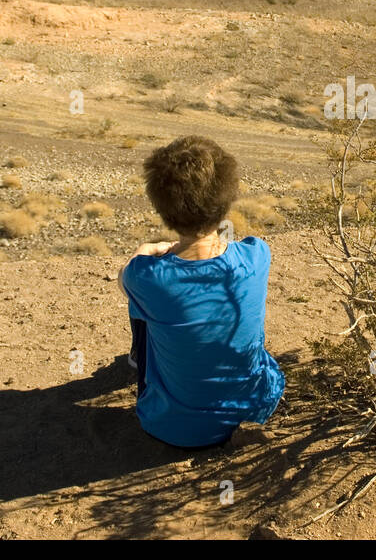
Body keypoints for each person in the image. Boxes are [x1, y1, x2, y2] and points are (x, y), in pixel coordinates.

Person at [118, 135, 283, 447]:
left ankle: (138, 359)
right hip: (256, 408)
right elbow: (229, 248)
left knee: (141, 303)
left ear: (161, 206)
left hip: (173, 427)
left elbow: (125, 279)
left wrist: (147, 249)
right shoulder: (257, 255)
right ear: (226, 199)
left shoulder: (147, 277)